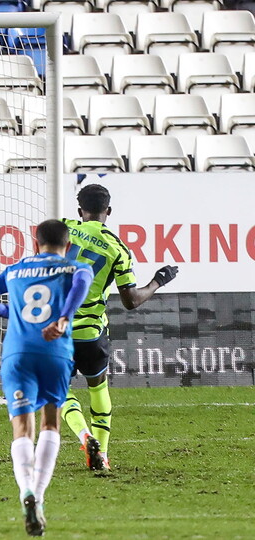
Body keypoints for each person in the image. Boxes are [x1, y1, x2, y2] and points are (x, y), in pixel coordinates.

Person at [0, 219, 94, 537]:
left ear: (35, 244)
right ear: (67, 246)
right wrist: (64, 318)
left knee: (22, 429)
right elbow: (81, 282)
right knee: (51, 421)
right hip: (55, 350)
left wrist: (10, 313)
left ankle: (25, 489)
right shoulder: (74, 267)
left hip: (17, 353)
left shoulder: (14, 270)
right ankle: (37, 496)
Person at [61, 184, 179, 471]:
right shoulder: (119, 249)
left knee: (58, 392)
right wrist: (158, 281)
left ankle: (83, 434)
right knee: (98, 388)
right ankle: (102, 455)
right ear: (109, 211)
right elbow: (131, 301)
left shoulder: (61, 229)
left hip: (57, 328)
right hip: (91, 333)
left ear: (79, 211)